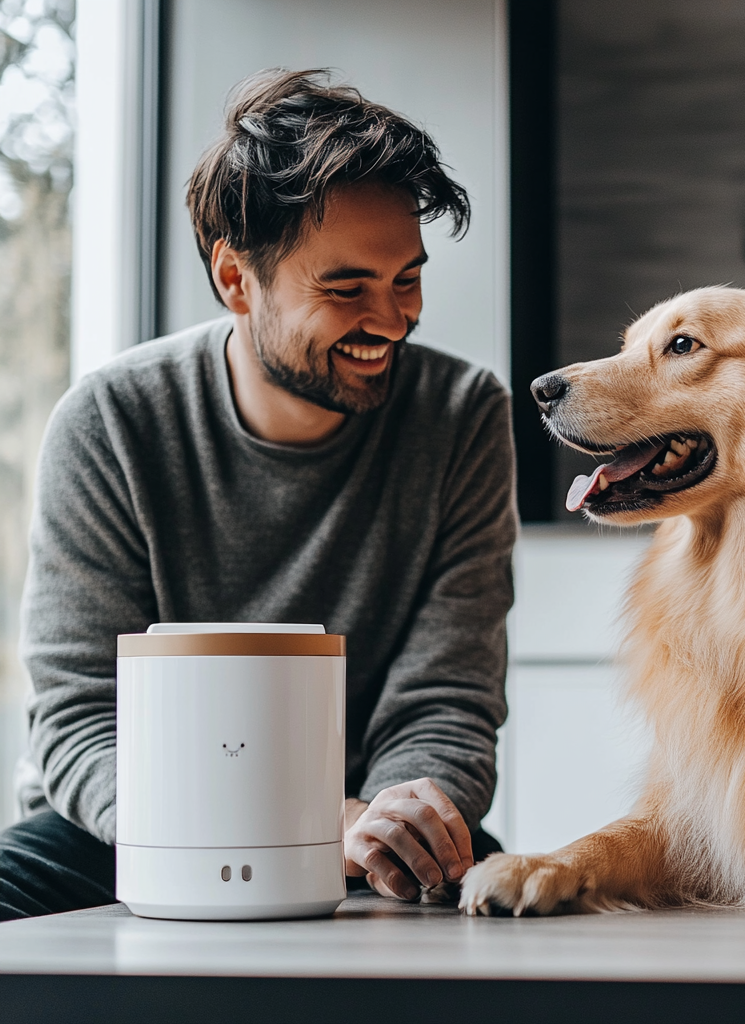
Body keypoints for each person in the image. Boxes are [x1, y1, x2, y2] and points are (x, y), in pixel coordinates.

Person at [0, 69, 516, 920]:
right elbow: (81, 717)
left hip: (367, 829)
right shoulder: (111, 421)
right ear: (237, 280)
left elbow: (447, 700)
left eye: (407, 279)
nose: (392, 320)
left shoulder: (462, 416)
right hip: (129, 833)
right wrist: (300, 826)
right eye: (347, 288)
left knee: (501, 921)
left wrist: (389, 820)